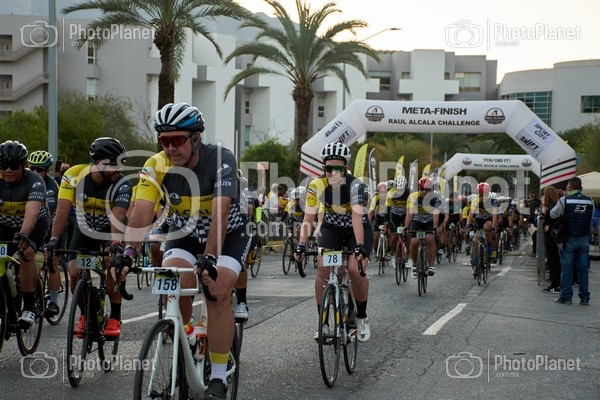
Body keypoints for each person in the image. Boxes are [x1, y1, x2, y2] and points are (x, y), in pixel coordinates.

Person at [122, 102, 249, 399]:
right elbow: (141, 211)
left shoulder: (220, 159)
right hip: (186, 234)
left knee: (216, 291)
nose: (170, 148)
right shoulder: (156, 164)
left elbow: (220, 214)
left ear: (196, 137)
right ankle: (188, 335)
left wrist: (211, 258)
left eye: (177, 140)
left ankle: (218, 376)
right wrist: (127, 253)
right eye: (164, 140)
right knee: (174, 281)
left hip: (229, 232)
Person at [45, 137, 132, 338]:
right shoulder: (74, 176)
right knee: (75, 273)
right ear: (98, 162)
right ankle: (85, 314)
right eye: (114, 164)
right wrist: (54, 240)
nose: (119, 168)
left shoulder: (122, 184)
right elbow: (62, 211)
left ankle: (115, 316)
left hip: (109, 231)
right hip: (83, 230)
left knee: (112, 265)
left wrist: (116, 244)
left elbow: (118, 217)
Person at [294, 142, 372, 343]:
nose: (334, 173)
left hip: (357, 229)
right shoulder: (316, 185)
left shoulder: (355, 185)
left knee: (355, 271)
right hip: (332, 229)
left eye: (339, 168)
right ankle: (324, 322)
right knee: (323, 269)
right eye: (329, 169)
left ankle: (361, 316)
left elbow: (356, 218)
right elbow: (308, 218)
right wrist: (301, 245)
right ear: (323, 168)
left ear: (346, 168)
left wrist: (359, 245)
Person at [0, 141, 50, 328]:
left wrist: (23, 234)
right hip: (4, 224)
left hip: (34, 224)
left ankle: (29, 306)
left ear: (23, 166)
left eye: (13, 166)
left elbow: (32, 212)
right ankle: (9, 293)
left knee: (26, 252)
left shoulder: (35, 181)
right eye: (3, 166)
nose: (8, 170)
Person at [27, 150, 62, 316]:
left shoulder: (52, 187)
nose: (35, 172)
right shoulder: (26, 182)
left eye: (39, 169)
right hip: (29, 226)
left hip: (50, 225)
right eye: (32, 168)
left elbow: (55, 211)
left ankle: (53, 300)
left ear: (47, 170)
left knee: (52, 260)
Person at [550, 177, 593, 305]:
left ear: (569, 187)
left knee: (567, 268)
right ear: (581, 188)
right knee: (583, 269)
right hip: (584, 238)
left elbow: (553, 214)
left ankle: (566, 297)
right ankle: (584, 297)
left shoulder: (565, 200)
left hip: (568, 238)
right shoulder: (590, 200)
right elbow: (590, 217)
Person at [405, 177, 441, 278]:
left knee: (430, 238)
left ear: (432, 189)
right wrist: (406, 227)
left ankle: (431, 266)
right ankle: (414, 265)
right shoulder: (413, 197)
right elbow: (409, 214)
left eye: (427, 190)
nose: (424, 192)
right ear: (419, 188)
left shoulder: (436, 198)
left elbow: (436, 214)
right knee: (415, 241)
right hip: (417, 221)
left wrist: (435, 226)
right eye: (422, 189)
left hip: (429, 222)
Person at [466, 182, 498, 272]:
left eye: (485, 195)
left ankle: (489, 250)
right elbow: (470, 214)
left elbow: (494, 215)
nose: (483, 197)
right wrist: (468, 224)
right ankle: (476, 263)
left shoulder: (493, 201)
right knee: (476, 242)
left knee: (487, 228)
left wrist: (494, 225)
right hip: (479, 221)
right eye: (481, 194)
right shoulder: (475, 200)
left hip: (488, 220)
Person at [541, 186, 561, 293]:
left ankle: (555, 285)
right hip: (555, 235)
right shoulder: (556, 205)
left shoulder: (550, 206)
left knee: (552, 260)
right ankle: (556, 283)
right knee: (555, 260)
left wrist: (546, 223)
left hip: (551, 236)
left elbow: (549, 220)